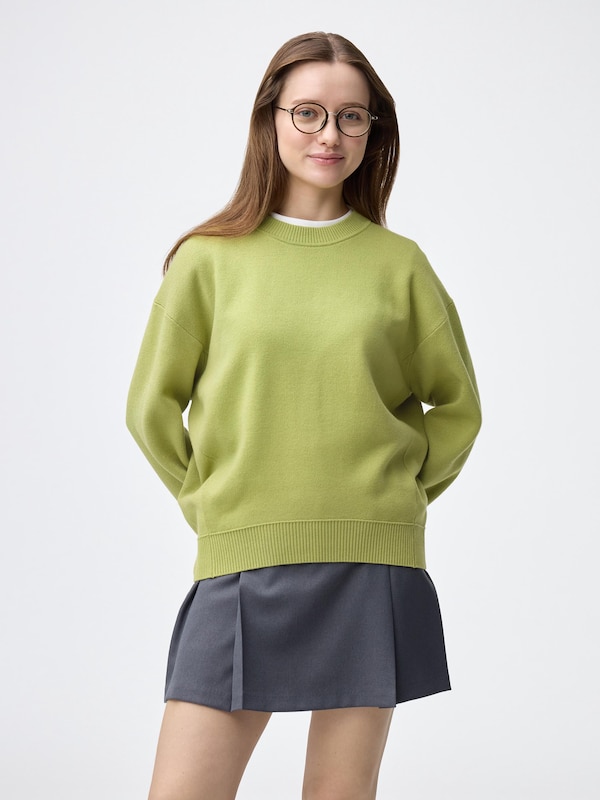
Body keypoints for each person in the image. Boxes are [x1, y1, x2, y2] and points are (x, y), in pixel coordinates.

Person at [126, 30, 482, 800]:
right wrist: (214, 504)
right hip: (241, 561)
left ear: (373, 131)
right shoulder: (208, 260)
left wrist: (394, 496)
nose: (330, 135)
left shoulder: (399, 265)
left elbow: (458, 406)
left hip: (371, 564)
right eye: (309, 112)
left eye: (352, 117)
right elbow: (149, 407)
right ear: (271, 118)